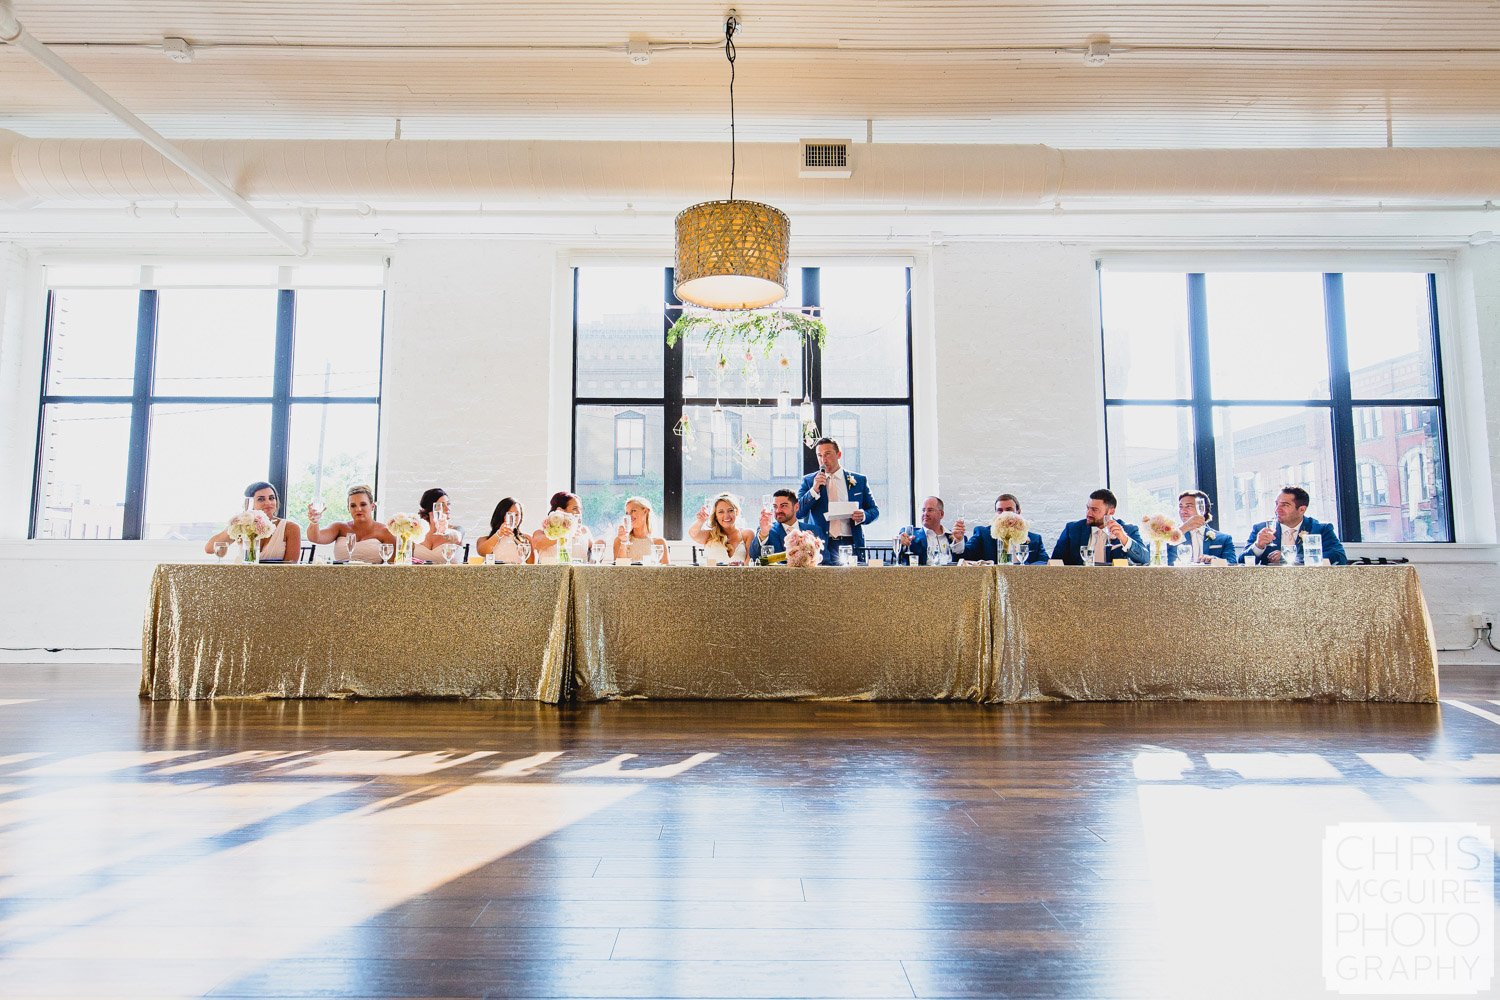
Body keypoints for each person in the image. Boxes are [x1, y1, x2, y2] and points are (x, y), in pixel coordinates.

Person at [797, 437, 880, 565]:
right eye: (819, 455)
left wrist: (864, 515)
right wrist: (814, 490)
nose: (823, 460)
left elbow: (874, 511)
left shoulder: (859, 480)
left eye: (828, 454)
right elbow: (799, 512)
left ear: (839, 454)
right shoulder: (809, 481)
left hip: (851, 543)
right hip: (821, 544)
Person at [1242, 486, 1348, 565]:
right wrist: (1258, 546)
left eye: (1284, 505)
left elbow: (1339, 557)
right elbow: (1241, 562)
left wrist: (1289, 557)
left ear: (1302, 509)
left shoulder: (1320, 529)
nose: (1277, 509)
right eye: (1276, 504)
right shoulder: (1261, 529)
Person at [204, 481, 301, 561]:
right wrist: (235, 525)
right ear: (249, 503)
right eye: (261, 499)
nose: (268, 503)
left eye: (271, 498)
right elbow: (209, 549)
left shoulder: (291, 528)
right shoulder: (243, 524)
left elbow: (291, 567)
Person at [1051, 488, 1149, 565]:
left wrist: (1124, 538)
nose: (1088, 513)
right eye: (1088, 508)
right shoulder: (1072, 529)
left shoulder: (1128, 530)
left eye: (1094, 510)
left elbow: (1145, 558)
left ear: (1111, 511)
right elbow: (1054, 562)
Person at [307, 484, 396, 563]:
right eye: (353, 506)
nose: (358, 509)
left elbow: (392, 568)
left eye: (363, 504)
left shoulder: (386, 531)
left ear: (372, 507)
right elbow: (315, 538)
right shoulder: (339, 527)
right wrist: (314, 522)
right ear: (348, 509)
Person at [964, 493, 1048, 565]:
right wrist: (959, 540)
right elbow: (964, 557)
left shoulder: (1035, 539)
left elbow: (1045, 563)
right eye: (1000, 510)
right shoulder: (982, 534)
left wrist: (1024, 567)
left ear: (1018, 512)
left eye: (1009, 510)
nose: (1004, 514)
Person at [1169, 490, 1236, 565]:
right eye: (1181, 507)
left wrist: (1214, 561)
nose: (1183, 511)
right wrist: (1184, 528)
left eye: (1188, 506)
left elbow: (1232, 564)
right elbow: (1161, 557)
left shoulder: (1224, 539)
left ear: (1202, 508)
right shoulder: (1168, 537)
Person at [896, 496, 966, 565]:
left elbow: (962, 559)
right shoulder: (911, 534)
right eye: (923, 510)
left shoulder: (954, 536)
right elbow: (898, 556)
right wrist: (901, 543)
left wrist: (958, 541)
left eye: (930, 510)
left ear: (941, 514)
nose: (925, 514)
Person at [690, 492, 755, 565]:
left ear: (736, 512)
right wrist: (700, 521)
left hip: (740, 576)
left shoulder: (748, 534)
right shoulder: (709, 534)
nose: (726, 516)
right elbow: (693, 533)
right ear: (715, 516)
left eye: (730, 510)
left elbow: (749, 565)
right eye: (721, 512)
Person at [531, 491, 593, 564]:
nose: (579, 513)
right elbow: (537, 544)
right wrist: (568, 532)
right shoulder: (541, 532)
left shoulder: (584, 531)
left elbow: (595, 551)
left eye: (580, 509)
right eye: (575, 508)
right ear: (560, 511)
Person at [475, 497, 533, 564]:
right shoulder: (484, 539)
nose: (514, 518)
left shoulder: (526, 539)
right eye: (509, 514)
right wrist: (499, 534)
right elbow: (482, 552)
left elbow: (532, 567)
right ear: (501, 515)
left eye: (516, 515)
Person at [749, 489, 802, 562]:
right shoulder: (767, 530)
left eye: (783, 506)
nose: (778, 510)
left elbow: (822, 560)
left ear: (796, 507)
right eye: (775, 506)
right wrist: (763, 534)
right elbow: (755, 557)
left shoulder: (814, 530)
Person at [614, 495, 668, 564]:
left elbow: (667, 572)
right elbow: (619, 570)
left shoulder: (659, 542)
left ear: (645, 511)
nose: (629, 516)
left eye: (633, 511)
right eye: (627, 513)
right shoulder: (619, 541)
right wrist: (624, 542)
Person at [413, 487, 462, 563]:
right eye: (442, 505)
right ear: (430, 509)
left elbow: (458, 537)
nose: (448, 509)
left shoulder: (457, 529)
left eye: (448, 504)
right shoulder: (416, 532)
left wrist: (445, 531)